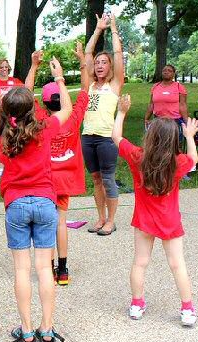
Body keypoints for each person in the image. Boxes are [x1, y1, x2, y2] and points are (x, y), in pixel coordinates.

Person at [0, 58, 71, 342]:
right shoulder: (44, 129)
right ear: (32, 108)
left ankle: (26, 331)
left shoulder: (0, 138)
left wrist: (2, 104)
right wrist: (59, 79)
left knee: (21, 271)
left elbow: (4, 115)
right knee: (43, 269)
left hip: (16, 205)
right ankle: (46, 329)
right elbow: (67, 110)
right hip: (46, 203)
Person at [112, 94, 198, 327]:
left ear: (150, 137)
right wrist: (190, 136)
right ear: (173, 141)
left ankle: (137, 305)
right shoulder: (178, 162)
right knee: (177, 264)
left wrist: (121, 112)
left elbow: (116, 137)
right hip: (170, 221)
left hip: (143, 220)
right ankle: (187, 310)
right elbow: (194, 159)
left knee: (140, 262)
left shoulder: (137, 156)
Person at [24, 43, 90, 285]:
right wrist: (65, 73)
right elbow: (85, 88)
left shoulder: (39, 119)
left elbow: (25, 93)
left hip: (45, 180)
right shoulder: (73, 117)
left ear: (43, 102)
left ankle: (48, 267)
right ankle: (63, 270)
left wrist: (34, 66)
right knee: (61, 222)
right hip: (66, 180)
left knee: (46, 224)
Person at [82, 13, 125, 236]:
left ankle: (111, 220)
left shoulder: (115, 84)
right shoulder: (90, 84)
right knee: (96, 179)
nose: (99, 65)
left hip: (107, 137)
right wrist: (98, 29)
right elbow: (88, 52)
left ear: (110, 67)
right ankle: (100, 218)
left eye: (103, 62)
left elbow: (118, 54)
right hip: (87, 137)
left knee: (108, 179)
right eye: (97, 63)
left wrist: (113, 29)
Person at [144, 64, 188, 145]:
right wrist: (146, 118)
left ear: (173, 74)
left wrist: (186, 122)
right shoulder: (155, 86)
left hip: (175, 121)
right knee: (157, 144)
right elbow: (151, 104)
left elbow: (183, 105)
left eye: (169, 71)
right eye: (164, 70)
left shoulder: (179, 87)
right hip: (158, 120)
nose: (166, 72)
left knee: (175, 145)